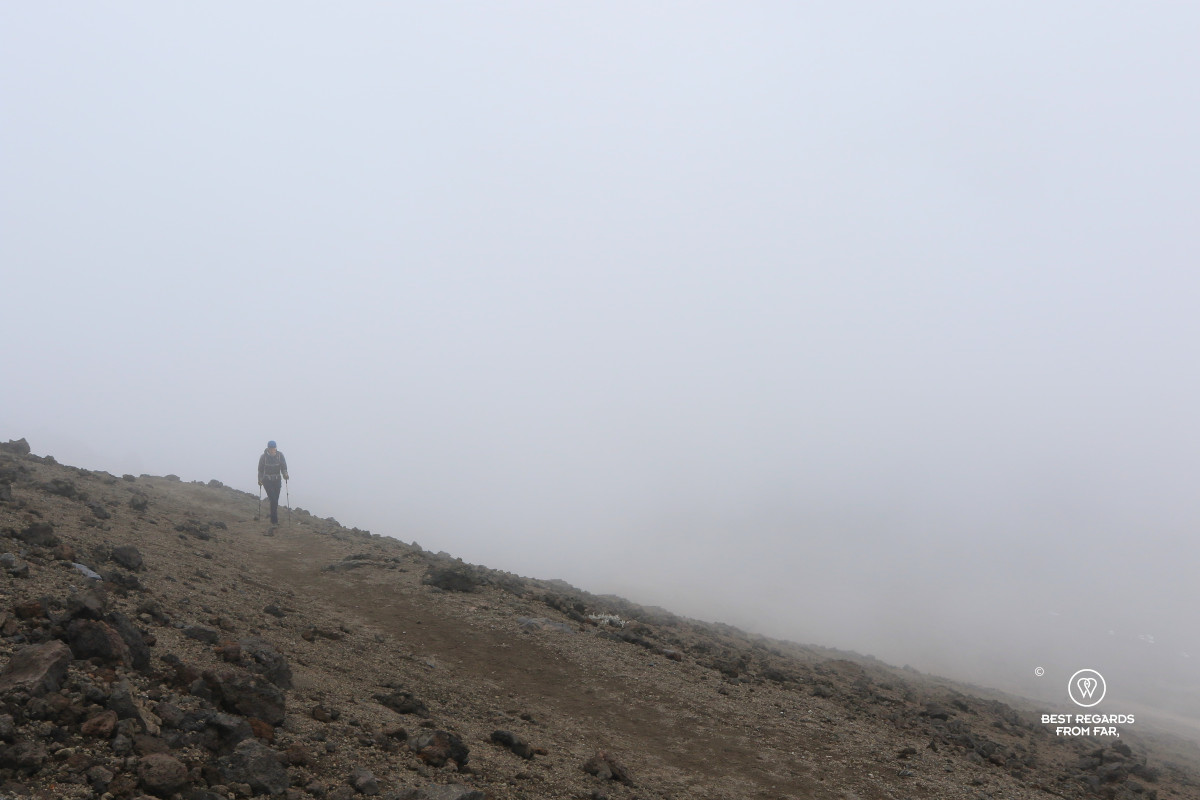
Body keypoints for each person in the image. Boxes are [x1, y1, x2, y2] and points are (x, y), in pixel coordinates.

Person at [258, 440, 289, 524]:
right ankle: (274, 521)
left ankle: (273, 518)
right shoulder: (263, 457)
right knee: (273, 500)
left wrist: (285, 474)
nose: (272, 450)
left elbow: (283, 467)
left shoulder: (280, 455)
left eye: (273, 448)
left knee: (275, 501)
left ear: (276, 448)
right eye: (271, 448)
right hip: (267, 481)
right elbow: (260, 470)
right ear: (268, 448)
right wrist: (260, 480)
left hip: (277, 480)